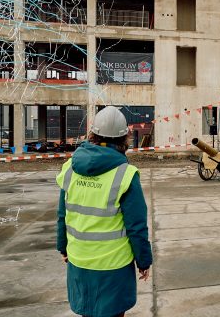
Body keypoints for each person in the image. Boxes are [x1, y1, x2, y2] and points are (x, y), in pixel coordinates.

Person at [56, 106, 152, 317]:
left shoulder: (70, 168)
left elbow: (63, 215)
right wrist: (144, 261)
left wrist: (63, 247)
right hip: (113, 266)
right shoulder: (125, 174)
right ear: (125, 137)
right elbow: (137, 226)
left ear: (92, 134)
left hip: (79, 260)